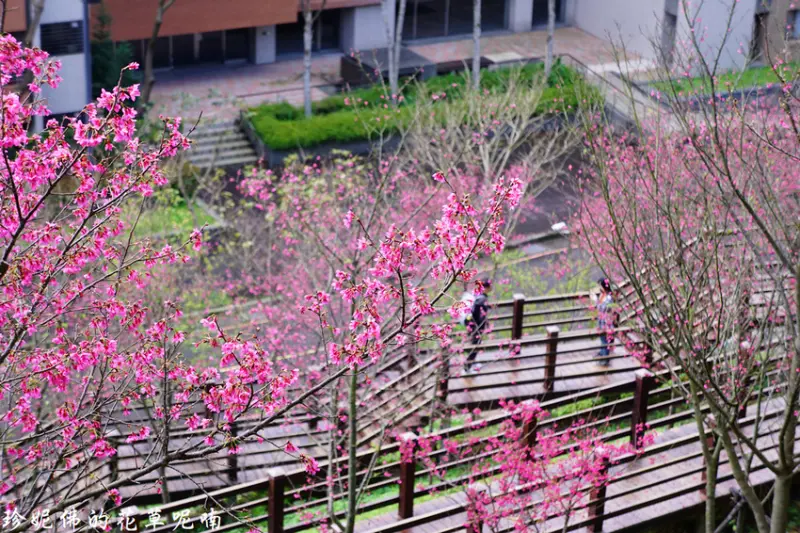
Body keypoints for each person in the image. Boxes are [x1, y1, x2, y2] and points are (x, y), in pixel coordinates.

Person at [464, 278, 492, 374]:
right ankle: (467, 367)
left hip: (473, 325)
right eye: (489, 286)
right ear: (485, 288)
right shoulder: (481, 298)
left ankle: (472, 363)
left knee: (475, 345)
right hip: (476, 326)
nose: (491, 288)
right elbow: (476, 311)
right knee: (475, 346)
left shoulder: (478, 295)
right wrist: (479, 323)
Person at [595, 278, 617, 366]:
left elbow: (605, 308)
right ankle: (603, 355)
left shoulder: (608, 297)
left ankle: (605, 358)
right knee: (602, 338)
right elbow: (598, 306)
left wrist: (598, 302)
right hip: (601, 320)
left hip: (606, 321)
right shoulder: (602, 295)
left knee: (605, 340)